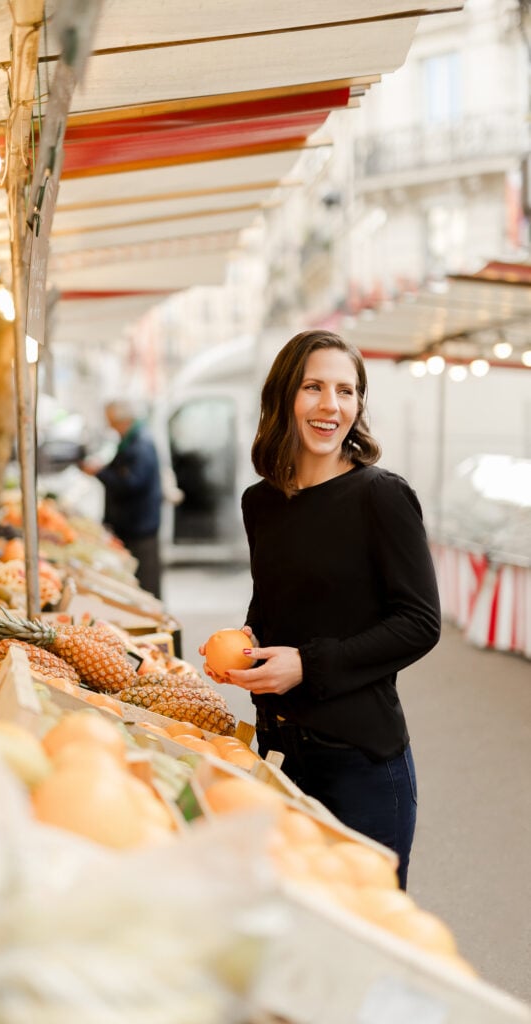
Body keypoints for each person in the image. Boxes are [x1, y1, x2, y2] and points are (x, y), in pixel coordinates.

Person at [200, 330, 441, 889]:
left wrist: (307, 664)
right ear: (285, 396)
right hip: (281, 752)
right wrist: (248, 644)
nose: (330, 405)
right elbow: (277, 597)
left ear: (358, 406)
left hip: (361, 759)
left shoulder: (380, 496)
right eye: (313, 387)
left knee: (368, 927)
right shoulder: (260, 502)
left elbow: (419, 624)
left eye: (346, 391)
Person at [80, 399, 163, 598]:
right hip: (134, 524)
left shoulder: (140, 443)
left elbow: (131, 483)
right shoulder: (132, 439)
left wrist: (100, 473)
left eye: (111, 422)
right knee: (141, 582)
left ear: (122, 420)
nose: (109, 427)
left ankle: (163, 628)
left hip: (140, 527)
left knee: (147, 584)